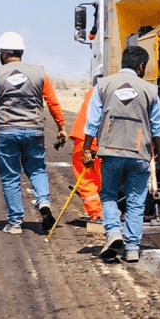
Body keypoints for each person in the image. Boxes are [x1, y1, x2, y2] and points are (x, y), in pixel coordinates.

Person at [82, 45, 160, 263]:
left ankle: (113, 233)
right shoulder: (150, 90)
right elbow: (159, 128)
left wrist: (86, 149)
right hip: (139, 154)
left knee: (109, 194)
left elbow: (92, 121)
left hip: (110, 151)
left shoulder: (103, 85)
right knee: (136, 201)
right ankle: (131, 248)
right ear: (141, 67)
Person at [0, 31, 67, 235]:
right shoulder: (39, 72)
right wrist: (61, 127)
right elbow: (52, 102)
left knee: (10, 176)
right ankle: (43, 202)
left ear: (4, 53)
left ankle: (15, 223)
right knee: (37, 170)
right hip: (34, 130)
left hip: (7, 131)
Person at [68, 84, 104, 229]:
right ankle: (105, 212)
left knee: (87, 180)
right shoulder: (116, 91)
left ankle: (96, 214)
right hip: (103, 140)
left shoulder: (94, 90)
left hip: (83, 138)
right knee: (102, 179)